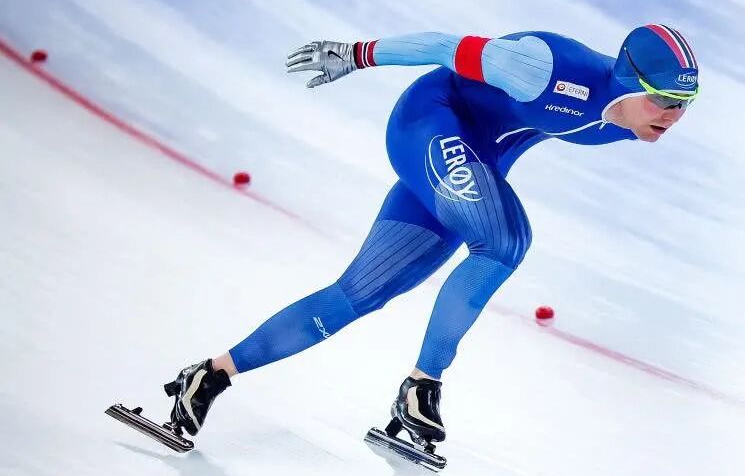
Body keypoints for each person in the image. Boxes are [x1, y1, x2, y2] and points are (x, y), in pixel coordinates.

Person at [165, 24, 700, 449]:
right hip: (428, 124)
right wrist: (355, 54)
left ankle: (208, 376)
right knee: (504, 241)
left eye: (685, 103)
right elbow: (445, 46)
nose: (674, 116)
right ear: (629, 82)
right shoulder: (545, 69)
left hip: (472, 158)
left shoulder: (633, 121)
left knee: (359, 293)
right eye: (663, 100)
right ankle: (423, 386)